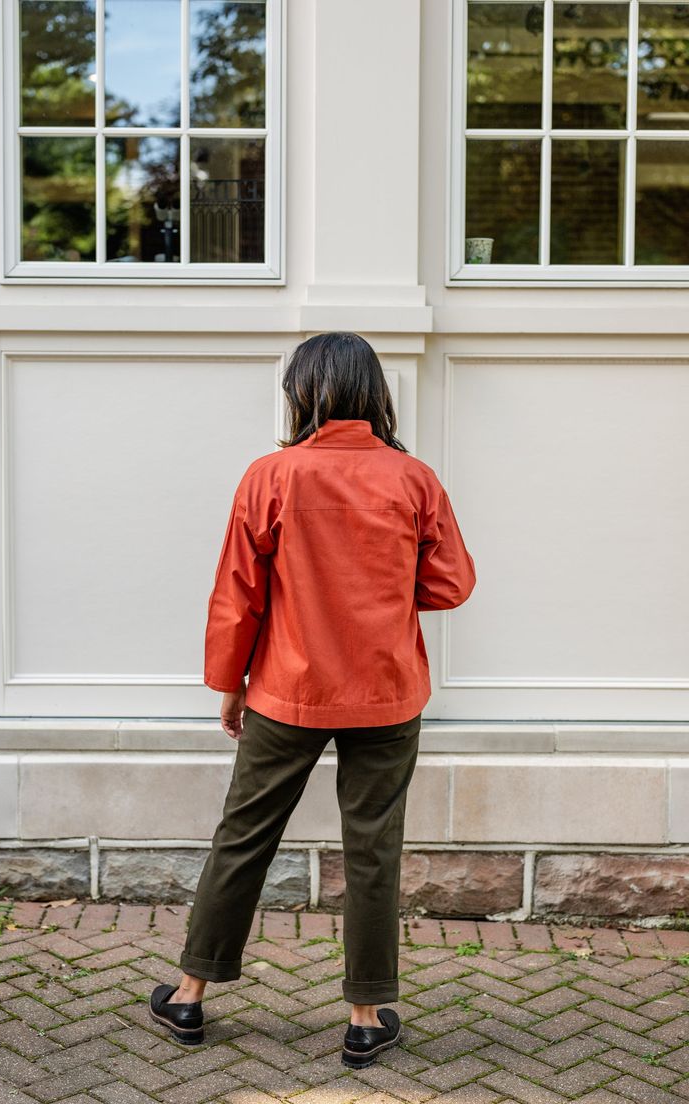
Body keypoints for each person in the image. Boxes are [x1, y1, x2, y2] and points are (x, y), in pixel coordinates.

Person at [149, 331, 477, 1068]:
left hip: (285, 692)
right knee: (373, 850)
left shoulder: (270, 476)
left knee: (243, 837)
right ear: (375, 394)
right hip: (387, 694)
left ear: (304, 393)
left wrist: (229, 686)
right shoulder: (413, 479)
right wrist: (387, 594)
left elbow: (237, 595)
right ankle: (366, 1015)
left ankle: (190, 995)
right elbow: (452, 583)